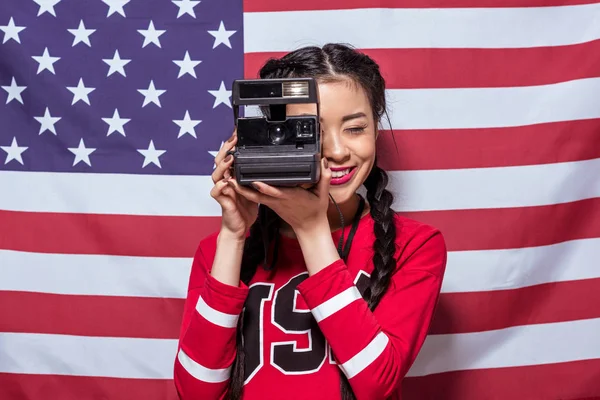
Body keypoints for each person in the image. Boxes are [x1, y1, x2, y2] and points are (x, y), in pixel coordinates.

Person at [173, 43, 447, 400]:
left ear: (376, 129)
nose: (335, 150)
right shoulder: (220, 251)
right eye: (311, 130)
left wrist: (311, 229)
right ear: (274, 137)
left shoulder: (414, 246)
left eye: (354, 129)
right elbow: (196, 392)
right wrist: (233, 234)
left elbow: (377, 384)